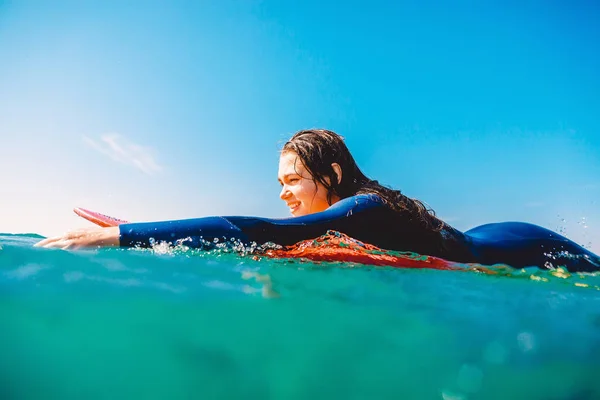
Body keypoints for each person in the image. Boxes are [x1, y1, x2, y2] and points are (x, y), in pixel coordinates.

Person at [36, 129, 600, 272]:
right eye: (279, 183)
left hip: (523, 246)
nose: (282, 193)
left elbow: (260, 230)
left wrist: (123, 236)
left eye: (291, 180)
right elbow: (270, 245)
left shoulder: (365, 209)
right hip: (493, 232)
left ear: (331, 174)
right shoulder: (346, 223)